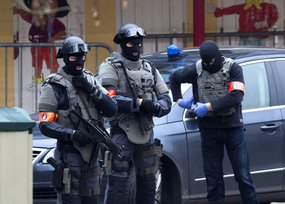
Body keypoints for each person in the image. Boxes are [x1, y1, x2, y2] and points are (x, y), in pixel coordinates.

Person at [169, 40, 259, 204]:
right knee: (213, 179)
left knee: (243, 176)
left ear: (218, 57)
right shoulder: (197, 69)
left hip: (233, 129)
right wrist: (179, 100)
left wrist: (208, 107)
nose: (209, 65)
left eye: (211, 61)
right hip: (209, 131)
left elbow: (236, 96)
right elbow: (174, 78)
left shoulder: (233, 68)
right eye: (206, 62)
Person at [96, 23, 172, 204]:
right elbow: (108, 99)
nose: (136, 47)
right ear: (122, 43)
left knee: (147, 183)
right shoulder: (111, 66)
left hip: (146, 132)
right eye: (131, 43)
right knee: (118, 183)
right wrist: (138, 103)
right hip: (122, 131)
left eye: (138, 42)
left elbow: (165, 98)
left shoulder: (149, 68)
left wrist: (156, 107)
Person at [38, 36, 118, 204]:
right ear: (65, 58)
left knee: (92, 200)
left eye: (82, 56)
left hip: (92, 156)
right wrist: (73, 134)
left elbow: (112, 109)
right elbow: (45, 125)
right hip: (69, 155)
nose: (79, 61)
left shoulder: (90, 80)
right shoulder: (54, 86)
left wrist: (92, 90)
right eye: (74, 57)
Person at [14, 0, 70, 83]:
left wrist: (53, 38)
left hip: (48, 46)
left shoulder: (54, 22)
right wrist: (18, 11)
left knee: (52, 64)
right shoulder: (35, 19)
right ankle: (37, 80)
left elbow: (64, 34)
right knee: (37, 64)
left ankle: (54, 80)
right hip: (35, 45)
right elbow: (26, 15)